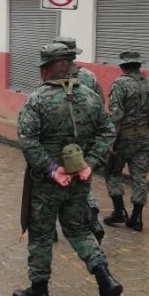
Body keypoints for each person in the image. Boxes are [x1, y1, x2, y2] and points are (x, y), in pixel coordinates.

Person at [13, 42, 121, 296]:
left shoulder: (37, 99)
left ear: (46, 70)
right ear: (71, 66)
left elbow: (27, 139)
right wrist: (90, 165)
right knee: (78, 230)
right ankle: (105, 280)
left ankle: (39, 292)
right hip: (79, 178)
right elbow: (107, 132)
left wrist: (51, 169)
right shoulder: (90, 97)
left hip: (47, 182)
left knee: (40, 233)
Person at [104, 50, 149, 231]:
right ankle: (137, 217)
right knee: (139, 176)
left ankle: (119, 211)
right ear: (139, 66)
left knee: (113, 172)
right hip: (145, 137)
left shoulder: (120, 84)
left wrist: (110, 141)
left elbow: (116, 115)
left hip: (123, 137)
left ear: (122, 66)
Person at [54, 35, 106, 243]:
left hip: (60, 137)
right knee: (83, 180)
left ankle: (51, 229)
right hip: (86, 138)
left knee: (55, 181)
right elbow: (100, 105)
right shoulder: (90, 76)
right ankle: (92, 218)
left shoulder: (53, 76)